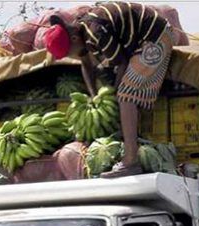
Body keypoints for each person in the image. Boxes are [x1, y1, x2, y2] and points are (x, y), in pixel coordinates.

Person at [44, 2, 175, 178]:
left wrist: (114, 93)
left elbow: (121, 63)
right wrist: (94, 95)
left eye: (69, 53)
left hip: (155, 37)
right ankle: (132, 143)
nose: (71, 57)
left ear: (74, 39)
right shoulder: (82, 31)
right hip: (138, 41)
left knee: (126, 96)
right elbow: (85, 64)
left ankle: (131, 161)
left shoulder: (96, 32)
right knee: (123, 93)